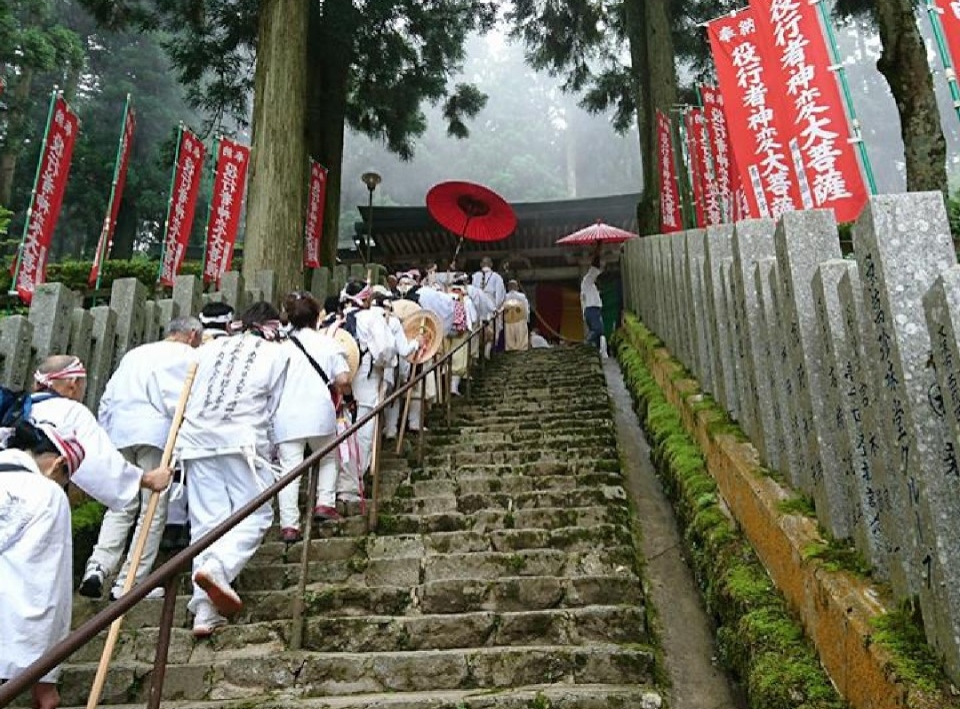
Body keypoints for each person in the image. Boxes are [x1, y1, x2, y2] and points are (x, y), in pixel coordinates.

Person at [174, 302, 290, 637]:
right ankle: (217, 568)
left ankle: (204, 612)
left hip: (195, 440)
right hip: (244, 441)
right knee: (255, 515)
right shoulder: (276, 354)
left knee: (206, 523)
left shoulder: (208, 349)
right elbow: (274, 409)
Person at [80, 317, 203, 600]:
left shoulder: (135, 353)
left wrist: (106, 430)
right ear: (193, 334)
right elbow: (178, 398)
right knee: (152, 508)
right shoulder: (188, 355)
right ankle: (129, 581)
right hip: (155, 432)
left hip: (118, 431)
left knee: (119, 502)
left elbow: (108, 396)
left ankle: (98, 566)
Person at [0, 420, 86, 709]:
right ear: (58, 464)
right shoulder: (49, 495)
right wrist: (47, 676)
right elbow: (50, 587)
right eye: (67, 479)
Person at [29, 355, 173, 513]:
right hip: (37, 500)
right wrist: (147, 480)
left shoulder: (21, 407)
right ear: (74, 383)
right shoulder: (72, 412)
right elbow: (99, 462)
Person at [274, 292, 351, 540]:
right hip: (319, 412)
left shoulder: (280, 349)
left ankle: (289, 525)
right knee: (328, 457)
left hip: (286, 415)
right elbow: (343, 379)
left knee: (289, 470)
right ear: (317, 317)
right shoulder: (328, 344)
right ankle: (324, 502)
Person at [581, 251, 605, 351]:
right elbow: (594, 268)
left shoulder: (591, 284)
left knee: (598, 335)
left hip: (592, 310)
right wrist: (597, 252)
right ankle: (586, 343)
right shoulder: (587, 280)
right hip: (592, 310)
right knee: (598, 330)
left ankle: (596, 352)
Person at [502, 280, 530, 352]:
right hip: (520, 318)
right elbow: (526, 307)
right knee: (521, 336)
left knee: (509, 336)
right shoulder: (521, 296)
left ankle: (510, 348)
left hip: (508, 320)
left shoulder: (505, 297)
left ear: (508, 288)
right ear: (517, 287)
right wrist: (527, 319)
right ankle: (521, 348)